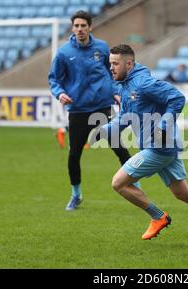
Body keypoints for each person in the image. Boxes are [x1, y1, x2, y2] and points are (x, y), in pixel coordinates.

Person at [95, 44, 188, 244]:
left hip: (159, 146)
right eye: (110, 63)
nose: (111, 68)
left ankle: (158, 216)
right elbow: (126, 117)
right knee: (182, 192)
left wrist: (162, 125)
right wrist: (103, 131)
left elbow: (177, 98)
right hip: (164, 146)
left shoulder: (143, 83)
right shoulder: (125, 86)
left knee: (118, 183)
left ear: (129, 63)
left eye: (115, 63)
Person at [48, 10, 134, 211]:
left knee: (119, 147)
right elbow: (54, 79)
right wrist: (60, 93)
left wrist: (115, 91)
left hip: (102, 106)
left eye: (83, 26)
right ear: (72, 28)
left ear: (90, 27)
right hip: (78, 110)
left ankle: (134, 184)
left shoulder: (103, 48)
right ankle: (76, 195)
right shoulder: (63, 53)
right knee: (74, 154)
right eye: (76, 26)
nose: (79, 29)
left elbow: (112, 72)